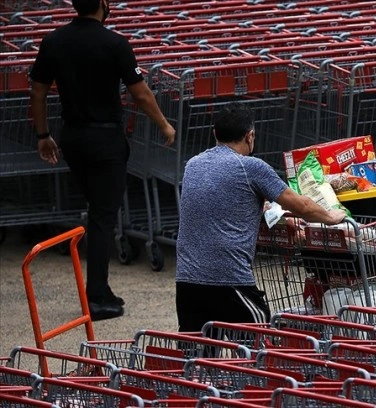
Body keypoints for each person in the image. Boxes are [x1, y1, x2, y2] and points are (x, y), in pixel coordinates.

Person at [30, 0, 176, 321]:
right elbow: (140, 93)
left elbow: (38, 91)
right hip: (105, 139)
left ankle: (101, 289)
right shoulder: (115, 43)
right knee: (102, 217)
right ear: (102, 6)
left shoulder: (53, 41)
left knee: (97, 211)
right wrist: (163, 124)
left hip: (72, 136)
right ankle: (96, 295)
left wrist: (43, 135)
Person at [175, 102, 347, 332]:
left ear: (214, 133)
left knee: (198, 357)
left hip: (187, 281)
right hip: (229, 280)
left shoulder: (193, 166)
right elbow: (302, 206)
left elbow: (218, 199)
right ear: (250, 136)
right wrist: (331, 216)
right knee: (259, 348)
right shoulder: (251, 168)